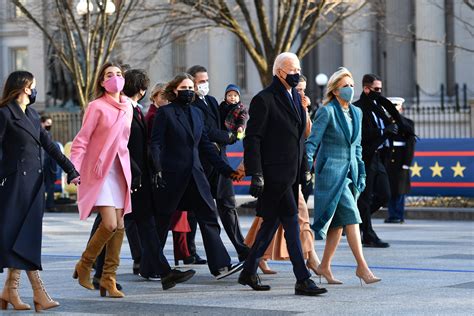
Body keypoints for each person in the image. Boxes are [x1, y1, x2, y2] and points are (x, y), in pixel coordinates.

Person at [239, 52, 326, 296]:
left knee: (270, 225)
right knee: (290, 222)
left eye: (298, 68)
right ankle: (303, 278)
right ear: (279, 72)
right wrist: (256, 173)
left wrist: (305, 169)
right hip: (274, 176)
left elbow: (300, 138)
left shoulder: (297, 99)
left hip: (292, 175)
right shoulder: (263, 100)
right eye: (292, 69)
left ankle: (248, 271)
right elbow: (252, 139)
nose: (297, 73)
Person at [150, 73, 243, 279]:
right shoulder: (165, 113)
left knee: (209, 217)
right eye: (184, 88)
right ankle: (150, 265)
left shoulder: (196, 114)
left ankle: (220, 266)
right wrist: (156, 168)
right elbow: (155, 144)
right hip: (172, 176)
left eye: (191, 87)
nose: (189, 91)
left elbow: (205, 145)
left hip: (196, 175)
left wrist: (226, 169)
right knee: (162, 222)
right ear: (174, 90)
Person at [0, 70, 80, 311]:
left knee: (25, 236)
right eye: (33, 85)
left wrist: (71, 170)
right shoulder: (4, 114)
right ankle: (38, 293)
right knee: (21, 236)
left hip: (34, 186)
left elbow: (51, 147)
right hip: (15, 185)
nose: (35, 90)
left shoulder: (33, 115)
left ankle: (10, 292)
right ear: (25, 87)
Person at [306, 67, 381, 285]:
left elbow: (356, 147)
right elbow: (312, 142)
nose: (350, 89)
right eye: (345, 86)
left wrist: (362, 172)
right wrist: (306, 165)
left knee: (339, 223)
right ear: (335, 91)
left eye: (352, 85)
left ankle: (324, 266)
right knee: (352, 216)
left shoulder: (357, 113)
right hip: (331, 174)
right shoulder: (327, 111)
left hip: (350, 174)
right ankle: (362, 267)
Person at [70, 62, 134, 298]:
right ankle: (84, 265)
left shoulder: (128, 106)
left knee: (119, 226)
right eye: (109, 75)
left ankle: (109, 278)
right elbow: (81, 140)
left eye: (118, 74)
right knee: (108, 224)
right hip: (99, 172)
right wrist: (73, 168)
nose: (115, 78)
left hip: (119, 171)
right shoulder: (96, 106)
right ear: (101, 81)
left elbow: (126, 142)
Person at [188, 65, 250, 263]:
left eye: (206, 80)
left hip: (220, 163)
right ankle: (189, 250)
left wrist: (238, 122)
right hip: (202, 165)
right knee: (199, 211)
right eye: (200, 81)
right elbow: (206, 132)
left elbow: (228, 119)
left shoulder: (213, 101)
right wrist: (229, 136)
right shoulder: (191, 105)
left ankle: (241, 248)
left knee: (228, 206)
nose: (205, 84)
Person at [353, 74, 397, 248]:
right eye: (376, 89)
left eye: (380, 89)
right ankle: (368, 234)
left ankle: (356, 221)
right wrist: (384, 131)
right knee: (364, 198)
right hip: (366, 157)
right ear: (366, 89)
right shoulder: (359, 108)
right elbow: (363, 134)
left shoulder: (378, 108)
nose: (380, 92)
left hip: (379, 157)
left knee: (385, 194)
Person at [385, 97, 416, 224]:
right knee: (389, 189)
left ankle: (398, 215)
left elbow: (410, 144)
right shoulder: (385, 122)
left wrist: (406, 163)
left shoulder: (407, 123)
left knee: (400, 189)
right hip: (387, 159)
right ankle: (392, 215)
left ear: (401, 108)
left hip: (400, 159)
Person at [40, 115, 59, 211]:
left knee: (50, 185)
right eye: (47, 123)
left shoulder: (48, 135)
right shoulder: (39, 134)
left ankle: (50, 205)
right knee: (41, 186)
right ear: (42, 123)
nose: (49, 126)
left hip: (49, 163)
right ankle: (42, 205)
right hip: (42, 163)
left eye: (50, 124)